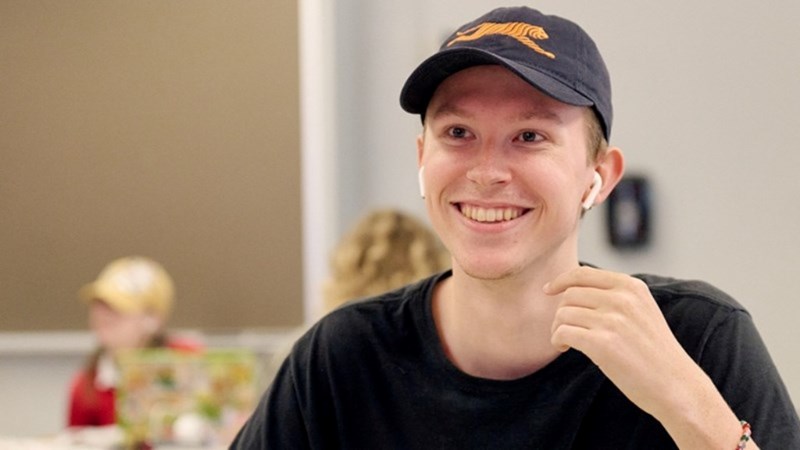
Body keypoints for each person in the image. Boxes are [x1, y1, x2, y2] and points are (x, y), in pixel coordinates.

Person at [231, 6, 800, 449]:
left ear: (599, 175)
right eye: (458, 134)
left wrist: (687, 406)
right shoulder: (343, 361)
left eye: (530, 136)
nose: (487, 172)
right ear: (422, 157)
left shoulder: (696, 338)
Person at [67, 256, 199, 427]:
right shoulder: (87, 385)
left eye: (117, 306)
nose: (103, 314)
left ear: (153, 319)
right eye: (99, 303)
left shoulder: (188, 362)